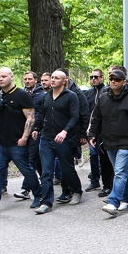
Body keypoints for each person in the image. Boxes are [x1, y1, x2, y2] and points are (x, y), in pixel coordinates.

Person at [0, 67, 41, 216]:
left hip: (16, 141)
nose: (1, 79)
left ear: (12, 77)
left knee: (26, 170)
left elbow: (30, 117)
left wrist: (24, 137)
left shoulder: (22, 95)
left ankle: (38, 194)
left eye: (4, 76)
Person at [90, 67, 128, 215]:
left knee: (119, 172)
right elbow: (96, 118)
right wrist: (92, 134)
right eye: (111, 79)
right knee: (120, 171)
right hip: (108, 140)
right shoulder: (103, 98)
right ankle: (126, 199)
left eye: (117, 79)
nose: (113, 82)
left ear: (124, 81)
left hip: (126, 140)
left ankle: (113, 201)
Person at [32, 69, 84, 214]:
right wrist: (36, 128)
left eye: (56, 78)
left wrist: (65, 131)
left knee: (67, 168)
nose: (53, 80)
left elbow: (75, 117)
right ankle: (47, 202)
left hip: (63, 139)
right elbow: (42, 114)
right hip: (46, 138)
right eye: (52, 78)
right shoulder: (46, 96)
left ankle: (77, 190)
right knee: (46, 171)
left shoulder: (71, 96)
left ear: (64, 80)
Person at [83, 69, 106, 192]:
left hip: (103, 130)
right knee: (93, 155)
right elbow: (86, 112)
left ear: (101, 77)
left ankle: (107, 183)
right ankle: (95, 180)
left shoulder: (105, 91)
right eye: (91, 77)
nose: (93, 79)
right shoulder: (88, 93)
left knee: (103, 155)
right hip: (91, 130)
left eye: (96, 77)